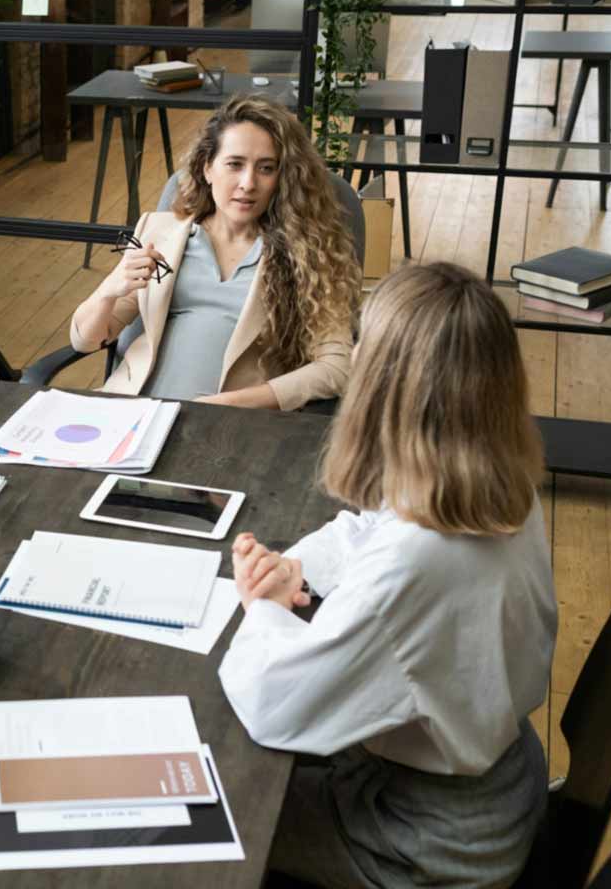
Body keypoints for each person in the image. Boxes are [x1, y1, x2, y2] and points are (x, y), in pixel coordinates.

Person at [217, 262, 556, 888]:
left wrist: (261, 604)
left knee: (216, 819)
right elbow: (371, 526)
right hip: (500, 787)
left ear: (388, 383)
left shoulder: (415, 563)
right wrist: (296, 568)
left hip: (423, 842)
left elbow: (272, 702)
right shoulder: (497, 487)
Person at [68, 95, 362, 410]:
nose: (248, 183)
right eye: (234, 164)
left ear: (282, 178)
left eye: (266, 168)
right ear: (207, 168)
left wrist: (232, 403)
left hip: (230, 426)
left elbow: (336, 368)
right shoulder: (158, 232)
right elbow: (85, 340)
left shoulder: (309, 252)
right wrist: (110, 291)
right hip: (135, 411)